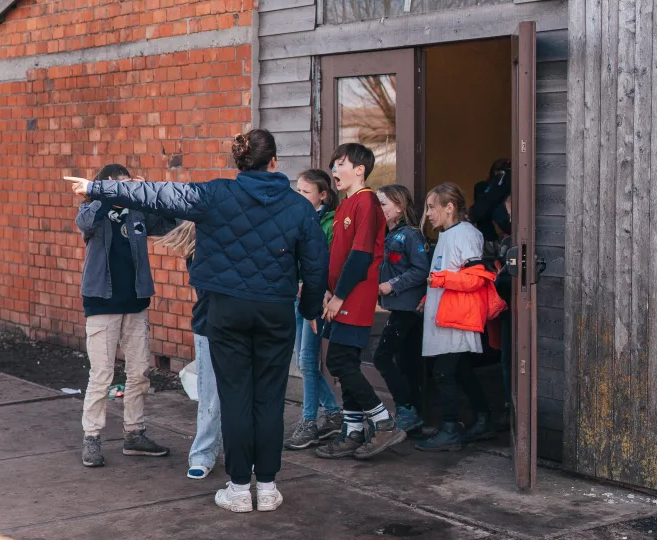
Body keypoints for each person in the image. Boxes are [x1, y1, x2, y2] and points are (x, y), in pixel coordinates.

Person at [68, 129, 326, 514]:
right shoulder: (299, 207)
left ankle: (240, 489)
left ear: (239, 163)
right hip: (274, 311)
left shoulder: (214, 194)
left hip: (225, 312)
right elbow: (316, 267)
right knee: (269, 400)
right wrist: (308, 309)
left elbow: (154, 193)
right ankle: (268, 487)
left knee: (235, 397)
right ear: (274, 162)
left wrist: (95, 186)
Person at [75, 163, 175, 467]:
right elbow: (86, 224)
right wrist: (105, 195)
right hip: (101, 302)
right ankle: (91, 437)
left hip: (135, 301)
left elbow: (169, 223)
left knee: (139, 371)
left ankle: (134, 433)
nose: (124, 191)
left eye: (126, 185)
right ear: (105, 187)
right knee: (102, 374)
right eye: (118, 186)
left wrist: (147, 194)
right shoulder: (93, 210)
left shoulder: (137, 211)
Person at [315, 143, 407, 461]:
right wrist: (328, 290)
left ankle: (383, 422)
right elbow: (337, 255)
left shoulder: (366, 201)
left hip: (354, 297)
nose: (334, 170)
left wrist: (339, 296)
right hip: (340, 296)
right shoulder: (346, 205)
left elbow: (361, 255)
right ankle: (353, 431)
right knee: (345, 364)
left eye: (340, 163)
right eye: (333, 164)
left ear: (359, 170)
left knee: (338, 362)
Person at [416, 183, 505, 451]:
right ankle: (483, 419)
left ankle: (451, 430)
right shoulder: (447, 234)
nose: (428, 214)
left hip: (457, 318)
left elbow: (477, 277)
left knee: (444, 374)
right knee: (462, 371)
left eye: (432, 207)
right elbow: (448, 274)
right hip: (446, 316)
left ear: (450, 207)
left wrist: (439, 280)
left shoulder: (465, 234)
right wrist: (427, 298)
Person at [284, 168, 342, 450]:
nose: (300, 196)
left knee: (308, 360)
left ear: (323, 195)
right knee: (303, 360)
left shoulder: (329, 223)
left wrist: (311, 286)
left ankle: (309, 423)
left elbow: (323, 264)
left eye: (306, 192)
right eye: (298, 191)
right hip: (295, 297)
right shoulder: (295, 218)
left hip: (316, 298)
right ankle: (333, 414)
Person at [158, 220, 221, 480]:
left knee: (240, 394)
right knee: (210, 395)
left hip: (239, 327)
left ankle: (242, 452)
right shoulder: (202, 251)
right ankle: (203, 453)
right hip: (210, 326)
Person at [373, 184, 430, 435]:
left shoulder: (410, 235)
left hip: (408, 308)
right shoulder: (386, 234)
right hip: (398, 307)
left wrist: (391, 285)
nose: (380, 208)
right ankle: (413, 418)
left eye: (383, 203)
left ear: (400, 206)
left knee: (381, 357)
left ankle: (405, 409)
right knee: (406, 362)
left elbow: (421, 271)